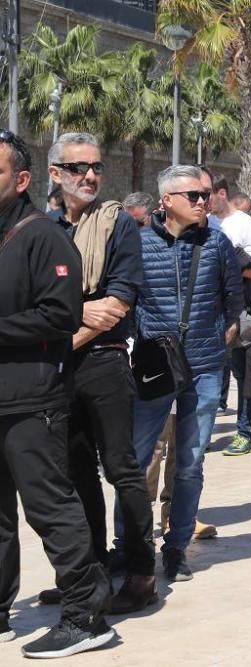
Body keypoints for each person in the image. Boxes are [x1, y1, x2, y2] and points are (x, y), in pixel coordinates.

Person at [0, 130, 117, 658]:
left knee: (50, 508)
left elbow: (59, 314)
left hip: (32, 399)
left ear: (21, 179)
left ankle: (86, 616)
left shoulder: (42, 236)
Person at [45, 132, 155, 614]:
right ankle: (90, 572)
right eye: (76, 168)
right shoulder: (44, 230)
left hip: (104, 362)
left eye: (94, 167)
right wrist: (74, 314)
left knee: (121, 469)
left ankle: (141, 573)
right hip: (56, 373)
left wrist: (63, 336)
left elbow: (117, 302)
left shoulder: (117, 225)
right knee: (76, 474)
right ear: (55, 175)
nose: (89, 176)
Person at [129, 165, 243, 581]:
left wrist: (220, 334)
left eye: (205, 195)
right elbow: (128, 298)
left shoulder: (218, 243)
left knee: (190, 462)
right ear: (166, 202)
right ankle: (130, 546)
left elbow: (234, 298)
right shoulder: (139, 244)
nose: (202, 201)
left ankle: (176, 547)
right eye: (193, 195)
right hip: (155, 367)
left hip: (205, 367)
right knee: (138, 460)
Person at [208, 174, 251, 457]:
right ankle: (202, 432)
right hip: (207, 311)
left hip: (241, 309)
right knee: (209, 373)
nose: (200, 201)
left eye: (205, 194)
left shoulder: (245, 224)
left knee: (245, 374)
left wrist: (223, 264)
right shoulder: (203, 222)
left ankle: (244, 432)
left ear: (221, 193)